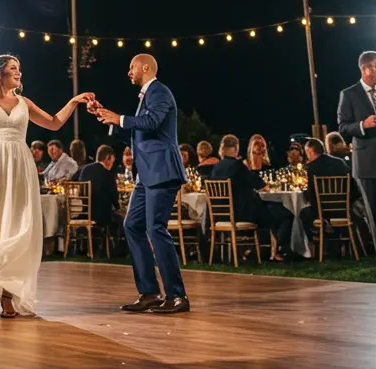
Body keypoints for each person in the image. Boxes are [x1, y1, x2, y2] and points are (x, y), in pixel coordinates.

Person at [0, 19, 92, 317]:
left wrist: (75, 101)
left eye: (19, 69)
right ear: (0, 72)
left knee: (14, 225)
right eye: (14, 68)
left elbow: (54, 122)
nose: (19, 72)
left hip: (19, 166)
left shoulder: (24, 103)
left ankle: (7, 294)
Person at [92, 53, 190, 316]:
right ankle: (149, 292)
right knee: (132, 225)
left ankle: (177, 295)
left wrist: (120, 119)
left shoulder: (159, 91)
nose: (129, 72)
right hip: (146, 175)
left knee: (155, 229)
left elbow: (152, 122)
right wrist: (108, 117)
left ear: (145, 67)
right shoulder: (146, 96)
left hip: (162, 171)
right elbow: (141, 128)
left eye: (131, 67)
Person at [338, 50, 376, 273]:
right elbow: (342, 128)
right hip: (367, 163)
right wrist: (363, 125)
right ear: (366, 68)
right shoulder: (349, 94)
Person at [210, 135, 294, 259]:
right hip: (242, 213)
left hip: (220, 214)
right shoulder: (238, 166)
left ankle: (263, 251)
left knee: (271, 211)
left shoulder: (216, 168)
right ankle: (278, 251)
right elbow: (259, 184)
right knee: (285, 214)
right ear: (236, 148)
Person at [299, 137, 352, 252]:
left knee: (304, 213)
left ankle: (319, 245)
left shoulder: (312, 168)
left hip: (322, 211)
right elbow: (352, 185)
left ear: (310, 151)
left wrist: (306, 196)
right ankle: (340, 242)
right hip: (344, 209)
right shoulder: (340, 163)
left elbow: (312, 193)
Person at [74, 145, 119, 231]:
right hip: (100, 216)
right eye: (112, 160)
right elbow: (114, 196)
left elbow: (73, 180)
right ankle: (112, 244)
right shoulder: (106, 173)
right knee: (120, 219)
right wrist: (118, 207)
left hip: (84, 213)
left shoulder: (84, 169)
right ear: (107, 158)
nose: (112, 164)